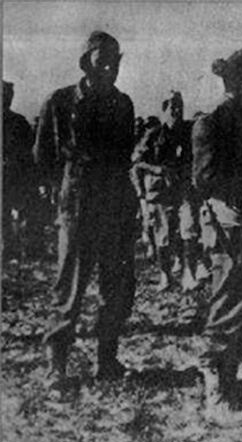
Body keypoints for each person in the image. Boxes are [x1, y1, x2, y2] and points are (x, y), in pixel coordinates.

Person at [34, 31, 138, 387]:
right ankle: (56, 366)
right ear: (86, 61)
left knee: (116, 289)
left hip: (116, 207)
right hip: (78, 207)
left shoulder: (123, 104)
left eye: (115, 59)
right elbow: (43, 158)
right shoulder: (60, 102)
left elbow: (124, 157)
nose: (110, 66)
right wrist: (66, 191)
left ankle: (107, 361)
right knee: (70, 289)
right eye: (101, 59)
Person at [192, 48, 242, 426]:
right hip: (230, 227)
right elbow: (205, 179)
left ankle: (228, 373)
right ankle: (216, 394)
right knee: (228, 305)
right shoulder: (213, 123)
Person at [130, 90, 193, 291]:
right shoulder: (154, 134)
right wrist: (157, 169)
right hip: (161, 192)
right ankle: (166, 275)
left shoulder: (188, 132)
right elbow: (137, 162)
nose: (176, 110)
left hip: (184, 189)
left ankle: (187, 272)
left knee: (188, 231)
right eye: (172, 106)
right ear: (164, 109)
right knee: (164, 237)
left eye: (179, 107)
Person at [3, 80, 36, 260]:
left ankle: (13, 248)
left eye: (8, 96)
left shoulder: (19, 122)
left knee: (18, 212)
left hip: (15, 175)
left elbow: (29, 151)